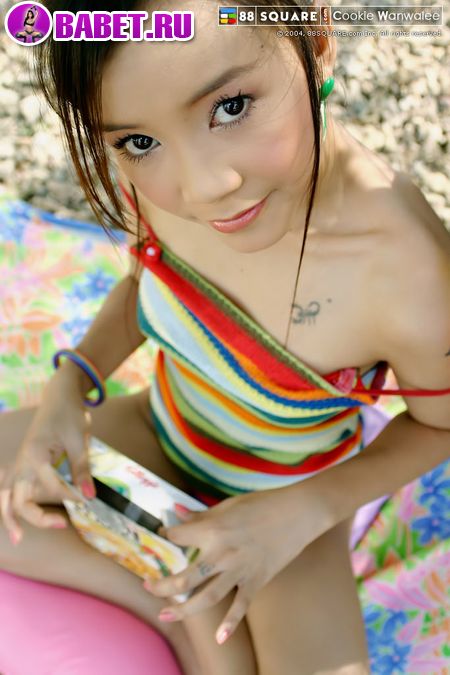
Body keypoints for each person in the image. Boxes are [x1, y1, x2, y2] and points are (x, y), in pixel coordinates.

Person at [1, 2, 449, 674]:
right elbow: (149, 282)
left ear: (316, 41)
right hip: (157, 434)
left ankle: (179, 590)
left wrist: (302, 512)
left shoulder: (408, 270)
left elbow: (442, 423)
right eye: (138, 142)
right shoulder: (161, 185)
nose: (205, 186)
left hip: (285, 510)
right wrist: (71, 385)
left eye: (231, 106)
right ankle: (173, 595)